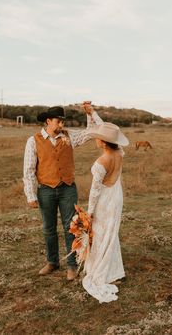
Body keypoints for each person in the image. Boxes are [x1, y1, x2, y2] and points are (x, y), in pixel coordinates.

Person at [23, 103, 102, 280]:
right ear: (48, 121)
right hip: (46, 190)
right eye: (58, 122)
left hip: (67, 188)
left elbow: (90, 132)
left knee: (71, 227)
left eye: (62, 122)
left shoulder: (69, 137)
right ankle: (52, 262)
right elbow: (28, 170)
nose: (61, 125)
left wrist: (89, 114)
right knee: (48, 228)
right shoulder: (33, 141)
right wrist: (30, 195)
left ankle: (72, 265)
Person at [82, 122, 129, 303]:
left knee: (101, 234)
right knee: (111, 233)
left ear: (102, 142)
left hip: (104, 200)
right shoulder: (119, 154)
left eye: (98, 137)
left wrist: (89, 212)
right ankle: (115, 270)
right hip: (116, 197)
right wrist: (92, 113)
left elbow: (95, 191)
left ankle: (103, 270)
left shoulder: (101, 162)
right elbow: (111, 132)